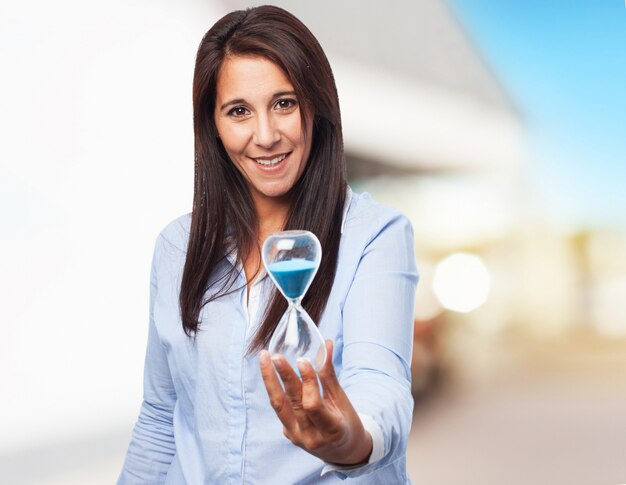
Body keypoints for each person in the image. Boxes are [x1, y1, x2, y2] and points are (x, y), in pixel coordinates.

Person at [118, 5, 418, 484]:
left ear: (315, 106)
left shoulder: (373, 236)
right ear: (213, 126)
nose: (265, 136)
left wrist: (348, 440)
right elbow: (160, 417)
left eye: (284, 103)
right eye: (239, 111)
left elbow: (380, 384)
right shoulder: (177, 246)